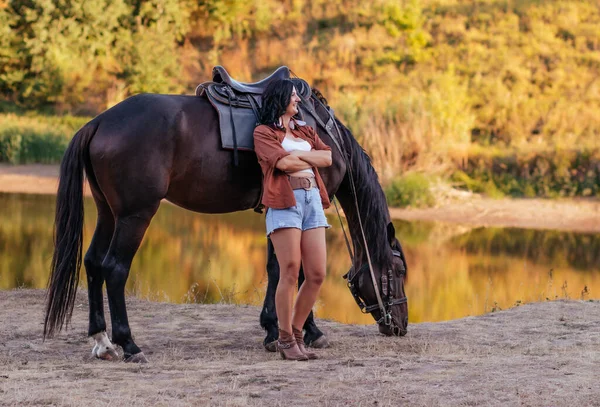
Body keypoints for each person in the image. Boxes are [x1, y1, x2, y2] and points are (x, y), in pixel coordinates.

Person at [253, 79, 332, 361]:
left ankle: (297, 333)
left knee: (317, 273)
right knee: (289, 269)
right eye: (294, 96)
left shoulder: (306, 130)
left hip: (313, 202)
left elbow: (329, 157)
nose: (298, 101)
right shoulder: (263, 133)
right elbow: (283, 164)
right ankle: (284, 339)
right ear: (281, 99)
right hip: (286, 202)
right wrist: (307, 157)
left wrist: (298, 153)